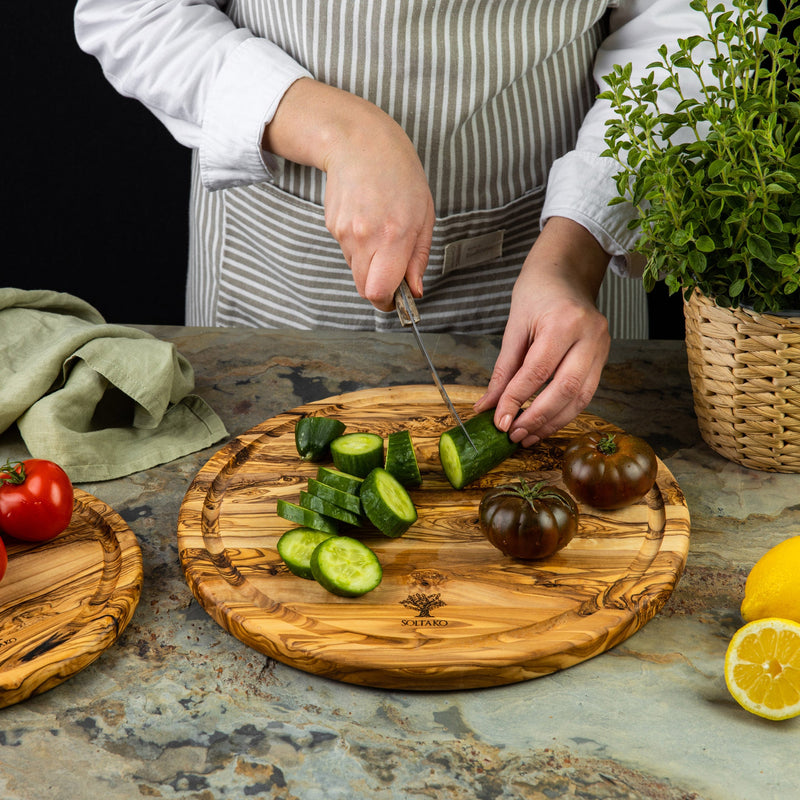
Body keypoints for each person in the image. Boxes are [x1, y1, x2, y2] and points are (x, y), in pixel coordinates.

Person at [73, 0, 712, 447]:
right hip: (277, 269)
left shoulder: (577, 252)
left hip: (566, 250)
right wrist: (336, 129)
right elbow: (133, 10)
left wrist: (578, 248)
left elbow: (687, 28)